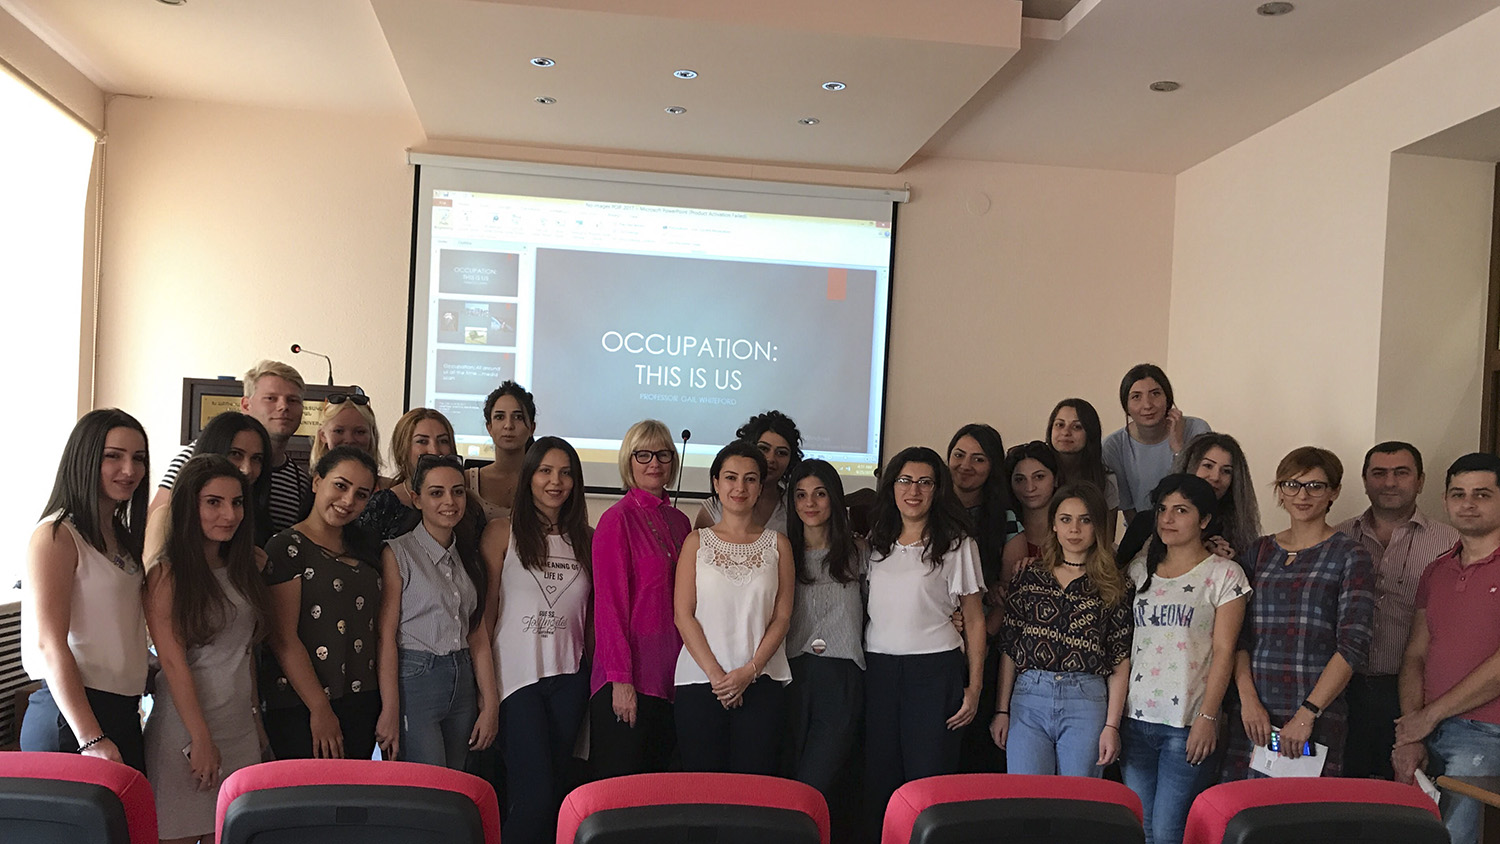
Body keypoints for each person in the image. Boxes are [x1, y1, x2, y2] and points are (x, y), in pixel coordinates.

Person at [1222, 446, 1374, 779]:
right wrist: (1248, 701)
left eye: (1315, 486)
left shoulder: (1351, 555)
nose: (1302, 495)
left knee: (1302, 808)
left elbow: (1353, 645)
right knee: (1243, 805)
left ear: (1334, 492)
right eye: (1292, 485)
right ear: (1280, 491)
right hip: (1254, 712)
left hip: (1316, 712)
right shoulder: (1259, 551)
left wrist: (1308, 712)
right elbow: (1237, 635)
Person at [143, 456, 273, 844]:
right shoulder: (166, 574)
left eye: (237, 502)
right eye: (213, 502)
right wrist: (200, 738)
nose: (229, 515)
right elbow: (171, 661)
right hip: (185, 728)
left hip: (239, 725)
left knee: (234, 832)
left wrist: (256, 722)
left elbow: (244, 653)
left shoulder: (244, 568)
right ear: (189, 506)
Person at [1120, 474, 1249, 844]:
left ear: (1204, 519)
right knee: (1141, 830)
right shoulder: (1139, 570)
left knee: (1169, 832)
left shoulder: (1224, 574)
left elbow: (1225, 650)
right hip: (1135, 718)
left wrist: (1208, 717)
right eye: (1163, 509)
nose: (1168, 518)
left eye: (1181, 510)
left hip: (1186, 722)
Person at [863, 446, 986, 835]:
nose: (913, 490)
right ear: (892, 486)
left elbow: (974, 619)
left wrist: (974, 687)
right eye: (905, 480)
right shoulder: (877, 541)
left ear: (938, 489)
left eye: (924, 482)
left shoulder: (957, 544)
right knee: (881, 781)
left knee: (928, 783)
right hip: (879, 671)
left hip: (934, 672)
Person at [21, 409, 151, 772]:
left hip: (122, 711)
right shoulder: (57, 535)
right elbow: (49, 644)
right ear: (85, 458)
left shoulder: (121, 538)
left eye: (138, 458)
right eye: (113, 456)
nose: (129, 469)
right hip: (72, 718)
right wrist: (90, 737)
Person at [482, 437, 593, 844]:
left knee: (557, 791)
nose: (555, 481)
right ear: (529, 476)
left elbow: (591, 619)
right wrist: (485, 693)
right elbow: (485, 618)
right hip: (515, 681)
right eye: (545, 471)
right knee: (535, 795)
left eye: (565, 473)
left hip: (569, 680)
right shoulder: (501, 533)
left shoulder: (588, 538)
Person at [1392, 453, 1500, 844]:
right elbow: (1415, 655)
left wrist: (1428, 717)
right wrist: (1412, 732)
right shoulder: (1436, 571)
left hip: (1486, 733)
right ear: (1445, 500)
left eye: (1482, 494)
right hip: (1426, 727)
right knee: (1412, 834)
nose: (1468, 504)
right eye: (1458, 494)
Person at [1335, 441, 1458, 780]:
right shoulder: (1337, 537)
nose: (1389, 482)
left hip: (1412, 695)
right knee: (1340, 792)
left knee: (1404, 793)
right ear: (1364, 481)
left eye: (1401, 473)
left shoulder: (1451, 544)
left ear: (1420, 481)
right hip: (1342, 690)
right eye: (1379, 473)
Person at [994, 483, 1133, 778]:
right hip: (1029, 695)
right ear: (1054, 525)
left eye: (1085, 520)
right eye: (1066, 519)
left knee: (1078, 799)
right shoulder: (1029, 577)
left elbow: (1120, 659)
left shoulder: (1116, 585)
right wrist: (1001, 710)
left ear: (1098, 526)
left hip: (1086, 697)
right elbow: (1009, 647)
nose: (1074, 529)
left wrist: (1112, 725)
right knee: (1027, 796)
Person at [674, 441, 795, 773]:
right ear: (716, 483)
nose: (740, 487)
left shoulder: (779, 545)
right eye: (730, 477)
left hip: (762, 681)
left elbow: (782, 617)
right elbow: (683, 615)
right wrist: (718, 677)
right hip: (701, 682)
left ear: (760, 486)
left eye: (750, 479)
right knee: (704, 790)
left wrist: (749, 672)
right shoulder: (696, 541)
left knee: (753, 790)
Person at [259, 445, 384, 760]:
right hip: (301, 703)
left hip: (362, 699)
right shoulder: (286, 547)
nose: (348, 500)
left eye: (361, 494)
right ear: (317, 481)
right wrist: (320, 708)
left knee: (353, 790)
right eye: (340, 486)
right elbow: (283, 638)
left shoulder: (367, 550)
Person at [377, 454, 498, 769]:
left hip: (462, 678)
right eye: (436, 493)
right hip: (417, 678)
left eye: (457, 492)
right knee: (428, 783)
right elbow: (386, 637)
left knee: (456, 781)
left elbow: (477, 635)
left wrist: (490, 703)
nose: (449, 501)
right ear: (417, 499)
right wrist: (390, 709)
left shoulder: (468, 557)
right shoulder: (398, 553)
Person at [589, 419, 693, 777]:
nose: (654, 463)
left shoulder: (681, 522)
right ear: (628, 460)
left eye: (663, 454)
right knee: (622, 797)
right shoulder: (616, 520)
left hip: (673, 679)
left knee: (660, 796)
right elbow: (609, 607)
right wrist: (621, 681)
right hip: (629, 680)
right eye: (643, 454)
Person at [784, 459, 867, 820]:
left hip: (841, 676)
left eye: (819, 494)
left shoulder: (860, 552)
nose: (810, 503)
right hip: (791, 676)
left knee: (817, 783)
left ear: (834, 497)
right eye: (801, 495)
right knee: (788, 780)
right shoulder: (781, 552)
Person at [154, 360, 311, 534]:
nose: (283, 406)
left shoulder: (300, 481)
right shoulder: (194, 457)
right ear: (246, 405)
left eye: (293, 400)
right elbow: (156, 524)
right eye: (271, 398)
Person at [946, 422, 1010, 773]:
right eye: (959, 455)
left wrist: (980, 636)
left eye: (978, 459)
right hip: (935, 641)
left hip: (984, 642)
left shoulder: (1006, 520)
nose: (965, 465)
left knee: (973, 750)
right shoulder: (929, 510)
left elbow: (1006, 593)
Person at [145, 411, 275, 562]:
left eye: (256, 458)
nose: (247, 469)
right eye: (235, 454)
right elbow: (152, 570)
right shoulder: (168, 518)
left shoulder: (252, 516)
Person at [1116, 433, 1261, 567]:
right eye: (1208, 466)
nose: (1216, 477)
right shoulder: (1146, 522)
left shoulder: (1237, 533)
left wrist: (1228, 562)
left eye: (1226, 471)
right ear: (1189, 465)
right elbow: (1117, 574)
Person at [1102, 364, 1211, 521]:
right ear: (1126, 406)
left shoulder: (1197, 429)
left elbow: (1202, 492)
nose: (1147, 405)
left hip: (1195, 525)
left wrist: (1178, 448)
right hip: (1142, 527)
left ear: (1168, 399)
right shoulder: (1113, 446)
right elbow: (1127, 507)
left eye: (1155, 394)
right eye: (1136, 397)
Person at [695, 410, 802, 534]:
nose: (771, 459)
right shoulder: (714, 507)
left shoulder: (796, 505)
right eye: (764, 448)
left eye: (781, 453)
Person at [357, 408, 457, 540]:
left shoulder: (467, 504)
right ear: (403, 448)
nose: (434, 451)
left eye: (443, 441)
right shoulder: (383, 505)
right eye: (422, 441)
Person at [467, 381, 536, 521]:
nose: (508, 425)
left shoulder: (544, 480)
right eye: (499, 417)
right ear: (489, 427)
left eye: (518, 417)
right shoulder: (467, 481)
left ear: (532, 428)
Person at [1046, 398, 1120, 517]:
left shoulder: (1106, 480)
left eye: (1077, 427)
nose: (1066, 432)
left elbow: (1106, 528)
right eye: (1060, 425)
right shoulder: (1037, 471)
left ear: (1090, 433)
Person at [1000, 441, 1059, 585]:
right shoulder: (1003, 528)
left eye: (1039, 477)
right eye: (1020, 479)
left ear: (1056, 479)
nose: (1030, 487)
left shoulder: (1073, 526)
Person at [308, 391, 381, 476]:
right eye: (339, 431)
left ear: (372, 435)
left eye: (360, 432)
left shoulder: (387, 484)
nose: (349, 440)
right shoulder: (302, 482)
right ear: (323, 435)